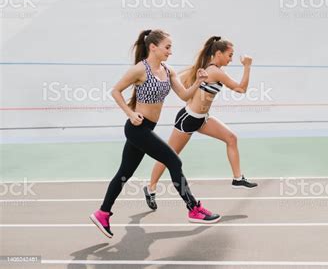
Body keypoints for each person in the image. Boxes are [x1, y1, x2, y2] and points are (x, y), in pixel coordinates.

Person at [90, 29, 221, 239]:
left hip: (146, 129)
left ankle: (103, 212)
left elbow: (184, 95)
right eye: (167, 47)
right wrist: (130, 113)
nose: (171, 51)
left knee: (124, 173)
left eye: (171, 48)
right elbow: (115, 91)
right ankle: (193, 208)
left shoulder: (168, 71)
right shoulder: (139, 69)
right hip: (137, 128)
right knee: (174, 162)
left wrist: (197, 82)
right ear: (153, 47)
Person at [143, 36, 257, 211]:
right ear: (218, 53)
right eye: (229, 55)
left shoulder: (214, 70)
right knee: (169, 157)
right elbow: (241, 89)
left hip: (202, 119)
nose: (231, 59)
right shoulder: (215, 71)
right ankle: (150, 188)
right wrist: (247, 66)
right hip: (188, 120)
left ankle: (237, 178)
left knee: (231, 138)